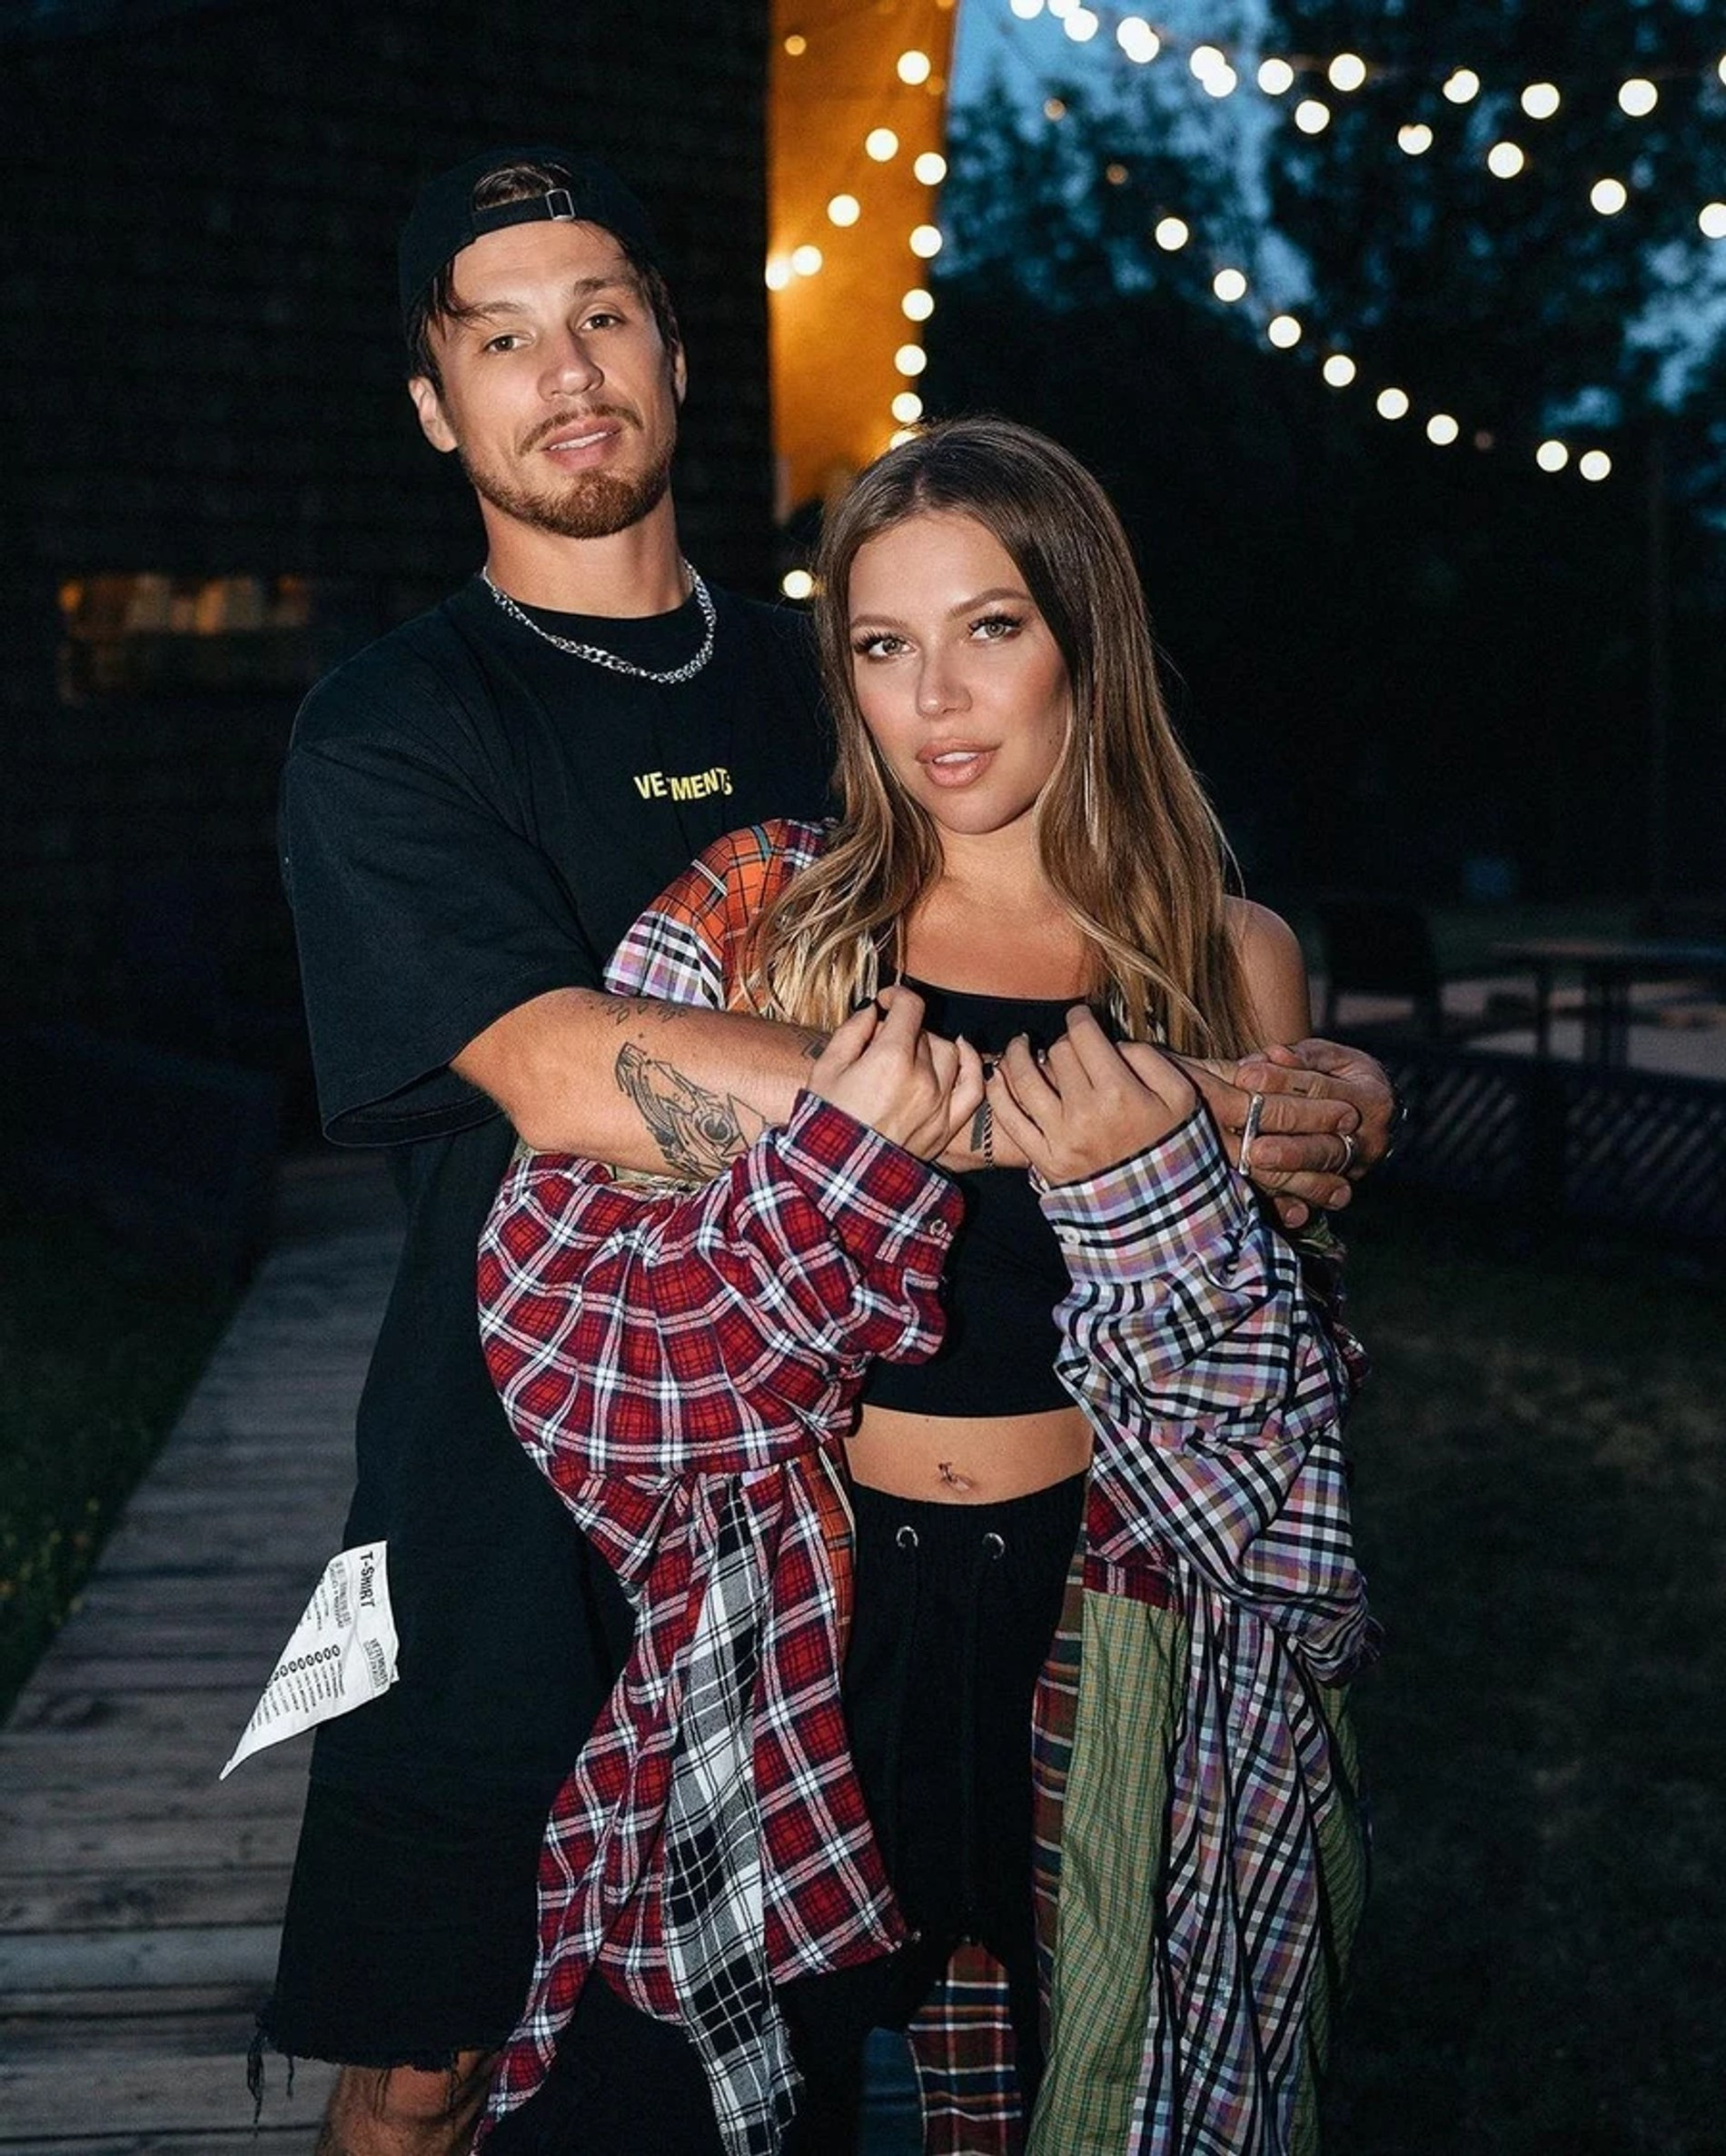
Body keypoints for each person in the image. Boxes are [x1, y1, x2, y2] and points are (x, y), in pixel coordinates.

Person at [260, 142, 1391, 2156]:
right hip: (490, 1471)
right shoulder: (390, 723)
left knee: (796, 2079)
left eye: (603, 313)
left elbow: (1102, 901)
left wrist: (1303, 1092)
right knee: (422, 2046)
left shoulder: (854, 674)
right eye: (500, 340)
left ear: (678, 349)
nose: (567, 371)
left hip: (820, 1507)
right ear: (435, 405)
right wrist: (1156, 1104)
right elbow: (564, 1071)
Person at [476, 417, 1378, 2156]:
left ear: (1084, 638)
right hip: (816, 1611)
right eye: (885, 645)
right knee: (671, 2096)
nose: (938, 700)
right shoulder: (773, 924)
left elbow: (1275, 1376)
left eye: (992, 628)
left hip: (1102, 1621)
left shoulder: (1221, 957)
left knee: (1093, 2083)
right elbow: (589, 1256)